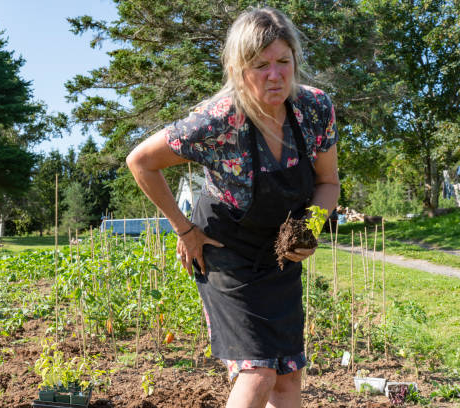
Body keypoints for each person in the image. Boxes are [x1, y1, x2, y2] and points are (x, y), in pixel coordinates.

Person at [126, 7, 340, 408]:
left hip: (278, 253)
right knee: (257, 373)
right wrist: (184, 230)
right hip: (225, 253)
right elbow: (140, 162)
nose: (275, 75)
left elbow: (328, 183)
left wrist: (308, 228)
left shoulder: (314, 109)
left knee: (288, 376)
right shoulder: (219, 119)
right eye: (260, 65)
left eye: (283, 62)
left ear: (295, 60)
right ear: (239, 68)